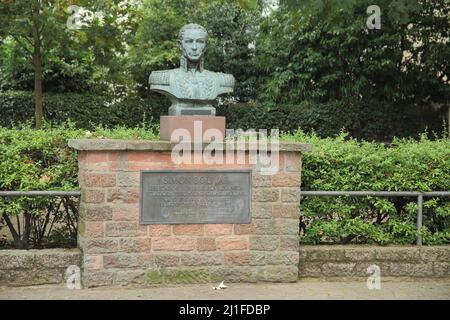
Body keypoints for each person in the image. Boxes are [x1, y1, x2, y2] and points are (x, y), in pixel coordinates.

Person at [149, 23, 235, 116]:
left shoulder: (222, 80)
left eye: (200, 42)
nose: (194, 47)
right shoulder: (162, 78)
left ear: (205, 46)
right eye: (189, 41)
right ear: (180, 45)